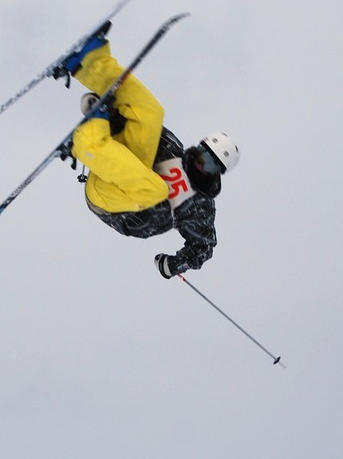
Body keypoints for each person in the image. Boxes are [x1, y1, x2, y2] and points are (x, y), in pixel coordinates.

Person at [53, 24, 239, 276]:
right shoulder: (172, 148)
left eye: (210, 164)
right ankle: (90, 63)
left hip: (113, 205)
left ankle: (85, 141)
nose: (200, 163)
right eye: (202, 154)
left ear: (218, 174)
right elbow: (136, 129)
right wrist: (111, 117)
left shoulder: (200, 207)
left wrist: (171, 266)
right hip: (110, 169)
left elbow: (204, 248)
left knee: (157, 190)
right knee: (152, 114)